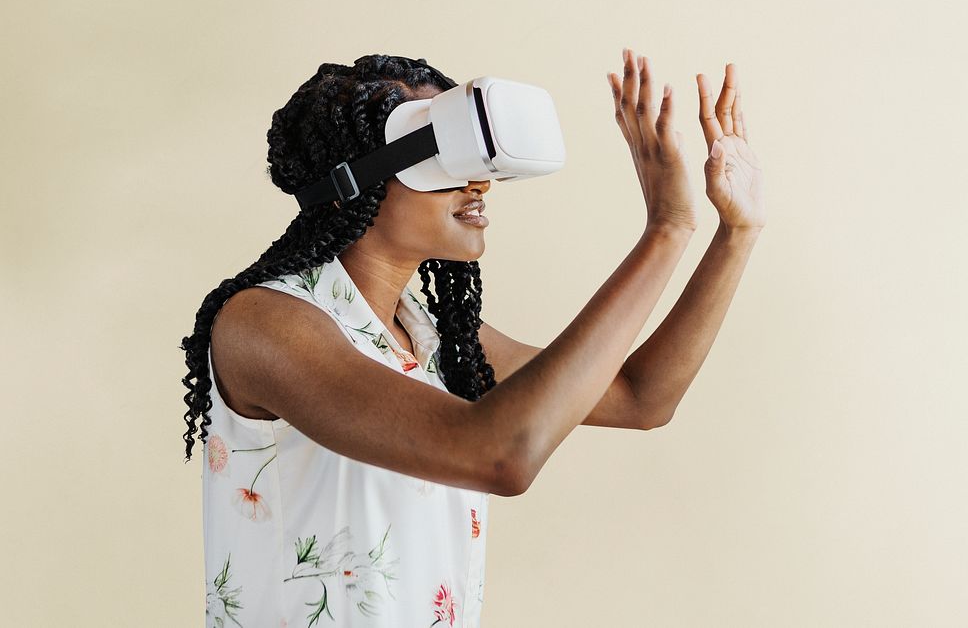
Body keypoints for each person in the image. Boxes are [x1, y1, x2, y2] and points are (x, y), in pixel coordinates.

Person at [181, 50, 765, 627]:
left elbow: (641, 397)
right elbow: (498, 454)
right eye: (440, 155)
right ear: (348, 183)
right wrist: (666, 229)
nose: (479, 182)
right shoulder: (264, 324)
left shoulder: (432, 337)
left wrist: (735, 233)